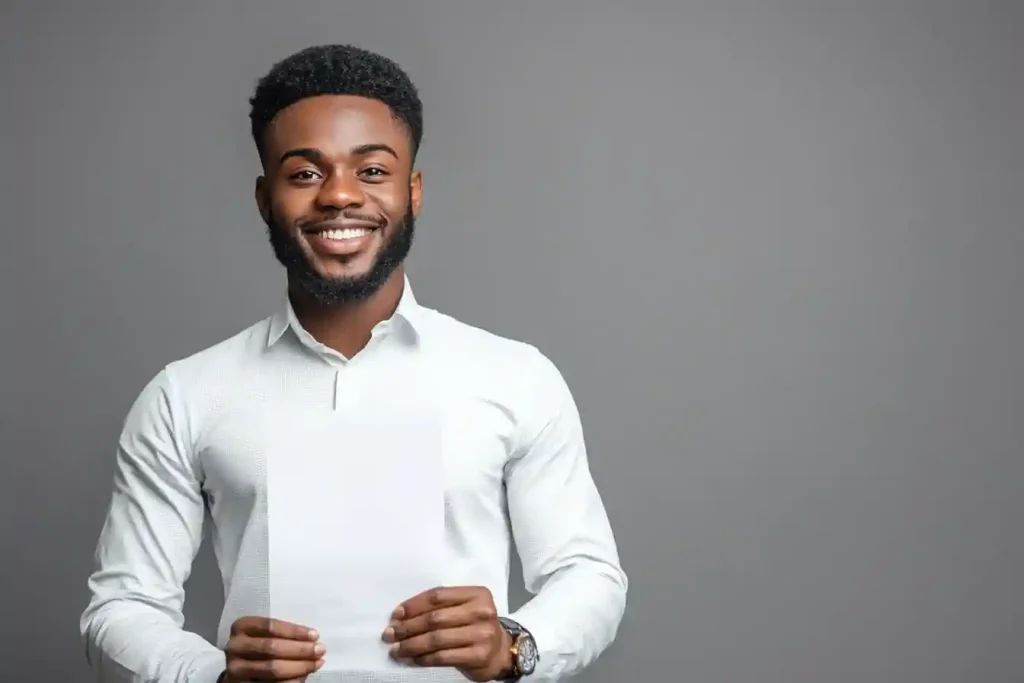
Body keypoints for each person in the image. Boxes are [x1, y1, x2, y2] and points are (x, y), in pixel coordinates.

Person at [80, 44, 627, 683]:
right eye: (305, 173)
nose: (339, 196)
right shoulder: (185, 395)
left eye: (371, 171)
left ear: (412, 190)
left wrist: (516, 645)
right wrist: (212, 676)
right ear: (265, 198)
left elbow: (589, 575)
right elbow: (121, 607)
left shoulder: (515, 378)